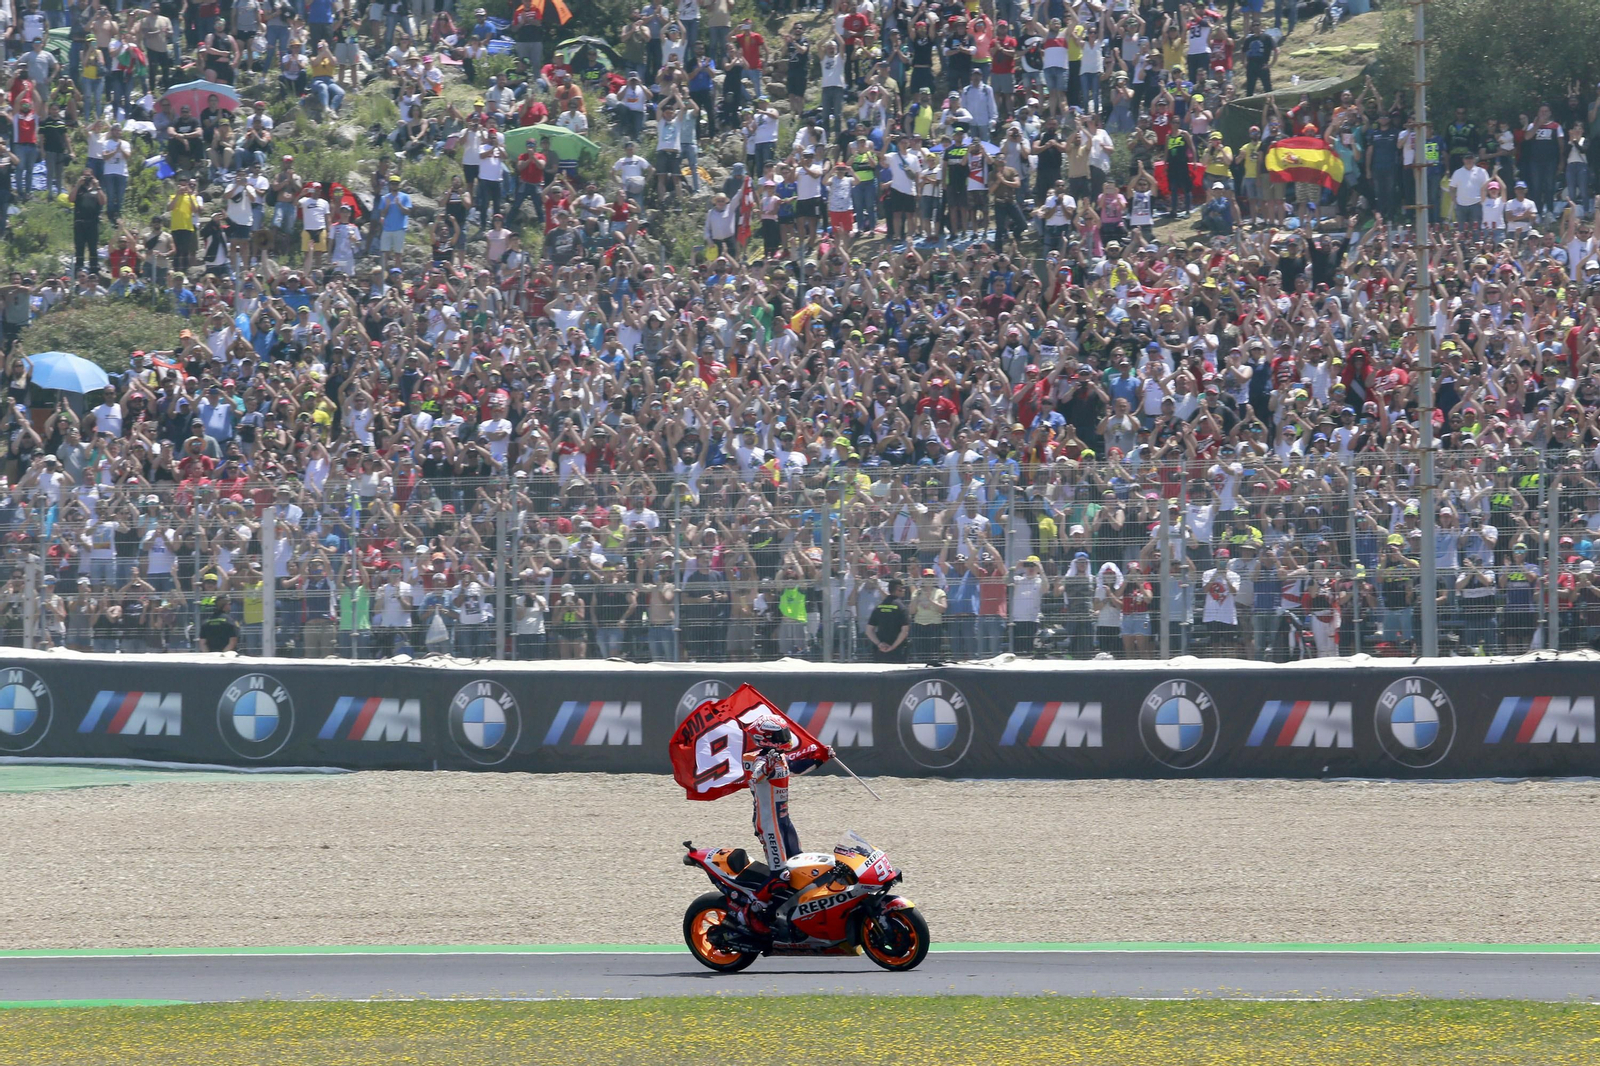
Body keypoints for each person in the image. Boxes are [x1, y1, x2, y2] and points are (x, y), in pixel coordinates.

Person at [867, 577, 909, 661]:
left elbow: (869, 631)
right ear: (898, 589)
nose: (904, 590)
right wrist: (892, 647)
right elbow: (904, 631)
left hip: (880, 650)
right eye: (903, 588)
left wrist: (879, 644)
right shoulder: (902, 608)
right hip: (898, 651)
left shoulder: (878, 607)